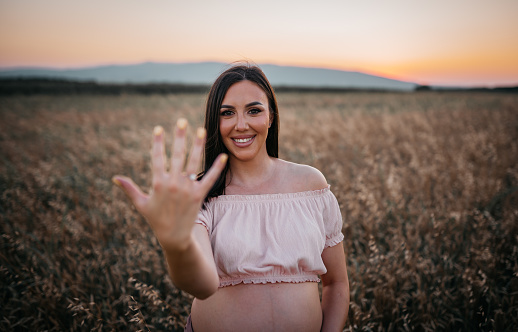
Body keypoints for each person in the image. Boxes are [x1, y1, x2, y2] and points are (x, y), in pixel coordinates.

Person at [112, 63, 350, 331]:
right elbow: (201, 285)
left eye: (254, 110)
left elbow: (337, 284)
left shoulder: (310, 185)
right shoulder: (200, 193)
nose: (241, 125)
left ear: (271, 116)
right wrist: (175, 245)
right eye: (227, 113)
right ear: (216, 121)